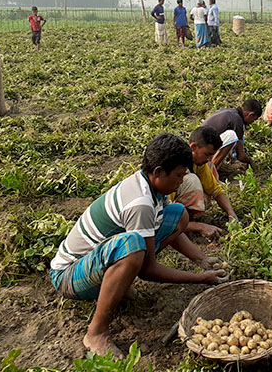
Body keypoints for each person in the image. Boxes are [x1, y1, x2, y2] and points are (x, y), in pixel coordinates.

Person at [48, 134, 229, 358]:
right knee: (132, 247)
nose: (180, 182)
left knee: (178, 214)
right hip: (68, 275)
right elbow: (148, 270)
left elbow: (168, 223)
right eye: (178, 176)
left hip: (94, 262)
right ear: (159, 172)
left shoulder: (150, 186)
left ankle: (118, 284)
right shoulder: (140, 204)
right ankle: (95, 334)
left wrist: (201, 260)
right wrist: (201, 278)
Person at [170, 127, 238, 238]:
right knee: (193, 181)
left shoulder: (198, 163)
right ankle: (184, 224)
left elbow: (215, 189)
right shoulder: (173, 167)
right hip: (162, 215)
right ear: (193, 147)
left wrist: (231, 213)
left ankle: (188, 221)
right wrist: (200, 227)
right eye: (207, 154)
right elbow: (161, 217)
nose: (209, 159)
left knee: (206, 194)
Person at [201, 99, 262, 168]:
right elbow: (240, 156)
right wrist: (250, 162)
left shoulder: (228, 112)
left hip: (199, 145)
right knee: (232, 136)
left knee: (238, 140)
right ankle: (211, 170)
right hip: (204, 150)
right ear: (250, 115)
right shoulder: (238, 121)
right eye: (253, 120)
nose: (252, 123)